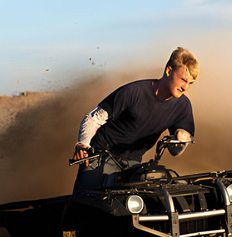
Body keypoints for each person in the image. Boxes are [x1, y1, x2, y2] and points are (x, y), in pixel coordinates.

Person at [72, 47, 199, 192]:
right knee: (85, 200)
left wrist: (181, 140)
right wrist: (83, 145)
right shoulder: (133, 92)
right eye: (183, 80)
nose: (185, 87)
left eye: (190, 83)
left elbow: (177, 149)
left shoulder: (183, 106)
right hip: (100, 155)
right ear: (169, 71)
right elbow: (92, 119)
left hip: (133, 164)